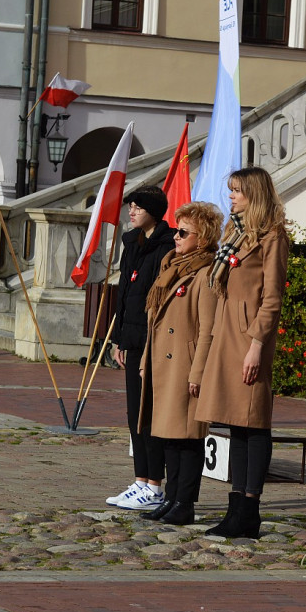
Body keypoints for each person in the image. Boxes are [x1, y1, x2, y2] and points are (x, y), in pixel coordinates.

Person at [195, 166, 290, 539]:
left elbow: (272, 298)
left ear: (255, 193)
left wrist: (256, 345)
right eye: (230, 189)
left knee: (253, 421)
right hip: (227, 332)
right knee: (234, 423)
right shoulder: (234, 231)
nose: (231, 196)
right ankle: (235, 505)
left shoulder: (273, 236)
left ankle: (250, 508)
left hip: (250, 337)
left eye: (237, 191)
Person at [137, 202, 223, 525]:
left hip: (185, 365)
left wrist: (198, 371)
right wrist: (146, 359)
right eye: (176, 230)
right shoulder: (170, 266)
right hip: (163, 363)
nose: (176, 237)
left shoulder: (205, 273)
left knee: (188, 437)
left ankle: (185, 502)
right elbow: (154, 323)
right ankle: (171, 497)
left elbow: (207, 329)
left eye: (184, 232)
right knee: (168, 436)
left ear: (202, 239)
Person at [105, 186, 176, 511]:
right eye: (130, 207)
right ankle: (140, 480)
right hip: (132, 339)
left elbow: (155, 297)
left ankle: (154, 485)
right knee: (135, 411)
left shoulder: (166, 245)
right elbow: (125, 296)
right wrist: (119, 338)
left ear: (153, 211)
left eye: (137, 207)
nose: (131, 212)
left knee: (149, 413)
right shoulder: (130, 243)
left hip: (154, 342)